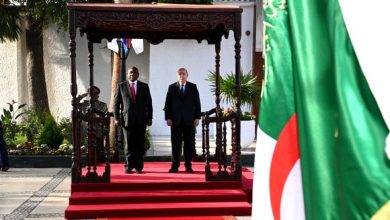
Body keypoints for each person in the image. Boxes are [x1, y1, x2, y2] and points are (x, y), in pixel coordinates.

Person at [114, 66, 153, 174]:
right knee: (129, 144)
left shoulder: (144, 86)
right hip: (127, 120)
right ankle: (129, 166)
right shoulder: (121, 86)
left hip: (141, 120)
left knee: (140, 144)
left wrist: (150, 117)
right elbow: (116, 104)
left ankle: (139, 167)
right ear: (127, 74)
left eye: (134, 73)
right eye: (130, 73)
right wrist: (116, 118)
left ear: (138, 74)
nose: (132, 75)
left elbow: (149, 103)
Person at [164, 67, 201, 173]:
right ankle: (174, 166)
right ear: (177, 76)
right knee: (175, 144)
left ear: (187, 75)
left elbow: (197, 103)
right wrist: (168, 118)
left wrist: (197, 118)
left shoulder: (193, 87)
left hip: (189, 121)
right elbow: (168, 104)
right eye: (179, 74)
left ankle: (188, 165)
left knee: (189, 144)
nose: (181, 76)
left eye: (183, 74)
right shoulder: (172, 87)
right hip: (175, 121)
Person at [77, 86, 108, 163]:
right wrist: (81, 96)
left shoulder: (102, 105)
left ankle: (96, 161)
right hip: (85, 129)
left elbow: (103, 115)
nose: (94, 95)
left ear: (98, 94)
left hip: (97, 129)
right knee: (84, 147)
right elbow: (74, 103)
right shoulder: (84, 103)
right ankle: (86, 162)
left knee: (97, 148)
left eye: (96, 93)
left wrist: (94, 111)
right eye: (91, 93)